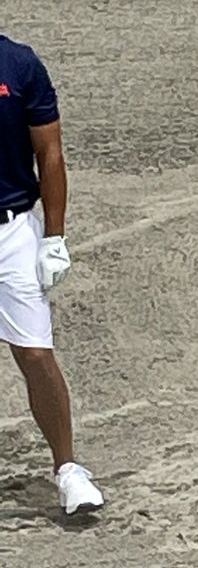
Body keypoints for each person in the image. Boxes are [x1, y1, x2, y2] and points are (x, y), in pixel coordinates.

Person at [0, 32, 104, 515]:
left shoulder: (18, 65)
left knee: (37, 354)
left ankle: (67, 471)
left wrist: (54, 238)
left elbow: (51, 154)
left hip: (12, 230)